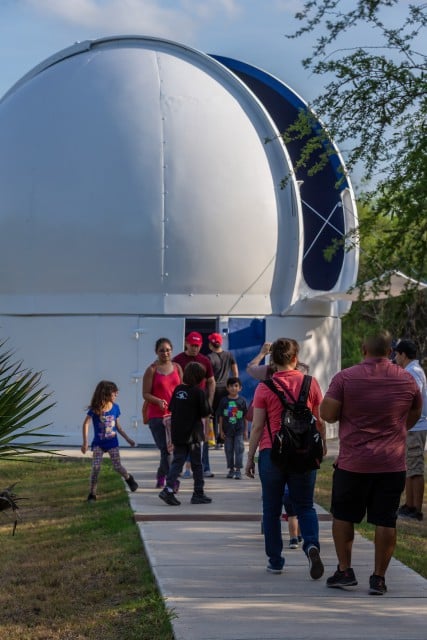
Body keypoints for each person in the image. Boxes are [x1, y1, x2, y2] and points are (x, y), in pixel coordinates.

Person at [320, 331, 422, 595]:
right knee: (386, 521)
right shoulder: (407, 380)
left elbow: (328, 415)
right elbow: (414, 414)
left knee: (343, 516)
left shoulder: (345, 378)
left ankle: (344, 570)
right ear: (390, 351)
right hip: (391, 462)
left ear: (363, 348)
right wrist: (396, 431)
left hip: (353, 462)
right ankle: (378, 578)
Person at [245, 337, 327, 578]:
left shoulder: (264, 387)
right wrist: (321, 445)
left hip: (273, 454)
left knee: (271, 509)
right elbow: (319, 420)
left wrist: (250, 457)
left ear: (273, 360)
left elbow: (258, 427)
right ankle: (311, 545)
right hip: (303, 452)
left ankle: (276, 561)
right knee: (305, 505)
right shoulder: (311, 383)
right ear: (295, 358)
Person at [159, 362, 213, 506]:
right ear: (199, 378)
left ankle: (168, 489)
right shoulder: (199, 392)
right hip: (193, 434)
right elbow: (206, 412)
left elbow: (172, 408)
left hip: (178, 432)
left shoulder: (178, 390)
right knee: (197, 464)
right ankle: (198, 493)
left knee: (178, 461)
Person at [81, 380, 138, 501]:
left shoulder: (116, 408)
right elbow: (86, 423)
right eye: (114, 393)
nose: (117, 394)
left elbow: (118, 426)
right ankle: (92, 494)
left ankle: (128, 478)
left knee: (117, 466)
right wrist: (85, 442)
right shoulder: (96, 409)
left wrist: (128, 439)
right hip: (99, 444)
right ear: (105, 394)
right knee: (96, 468)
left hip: (112, 443)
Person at [173, 331, 216, 477]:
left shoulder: (204, 360)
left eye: (197, 346)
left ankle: (205, 467)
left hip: (200, 404)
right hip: (184, 405)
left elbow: (211, 382)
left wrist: (209, 403)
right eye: (192, 345)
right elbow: (174, 382)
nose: (194, 348)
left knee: (202, 438)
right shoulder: (178, 360)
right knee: (184, 438)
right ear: (186, 343)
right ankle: (182, 468)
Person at [142, 338, 183, 489]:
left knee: (174, 449)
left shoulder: (177, 367)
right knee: (165, 450)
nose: (165, 353)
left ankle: (162, 474)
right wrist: (158, 401)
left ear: (171, 350)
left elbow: (182, 390)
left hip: (175, 415)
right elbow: (145, 394)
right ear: (156, 352)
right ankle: (172, 480)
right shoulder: (152, 369)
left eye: (167, 350)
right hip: (157, 416)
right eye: (161, 350)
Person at [394, 339, 427, 521]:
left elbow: (412, 398)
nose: (396, 358)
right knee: (409, 466)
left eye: (397, 354)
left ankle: (416, 508)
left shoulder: (412, 373)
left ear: (403, 355)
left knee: (415, 468)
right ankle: (409, 504)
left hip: (416, 426)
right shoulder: (413, 370)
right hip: (411, 426)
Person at [207, 332, 238, 448]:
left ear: (210, 345)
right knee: (227, 415)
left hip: (213, 390)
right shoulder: (229, 355)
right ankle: (225, 440)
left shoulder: (209, 357)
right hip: (226, 389)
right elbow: (235, 372)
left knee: (214, 415)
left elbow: (207, 376)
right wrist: (235, 387)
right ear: (221, 343)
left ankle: (215, 441)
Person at [217, 377, 248, 479]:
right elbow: (221, 416)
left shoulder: (242, 401)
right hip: (227, 431)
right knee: (228, 450)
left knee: (239, 450)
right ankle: (231, 469)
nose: (233, 388)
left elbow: (245, 417)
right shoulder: (224, 401)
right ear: (227, 388)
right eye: (231, 386)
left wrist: (245, 431)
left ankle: (238, 470)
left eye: (236, 386)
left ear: (240, 388)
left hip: (239, 430)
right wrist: (220, 430)